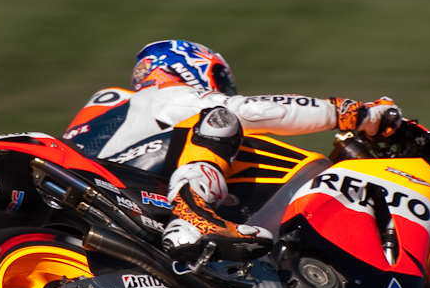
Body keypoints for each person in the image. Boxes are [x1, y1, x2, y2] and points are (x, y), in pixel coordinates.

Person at [63, 40, 400, 263]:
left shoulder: (104, 114)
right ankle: (192, 219)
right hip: (126, 189)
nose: (222, 88)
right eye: (218, 78)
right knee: (220, 118)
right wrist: (352, 114)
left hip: (92, 199)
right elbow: (248, 110)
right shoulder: (165, 94)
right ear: (185, 66)